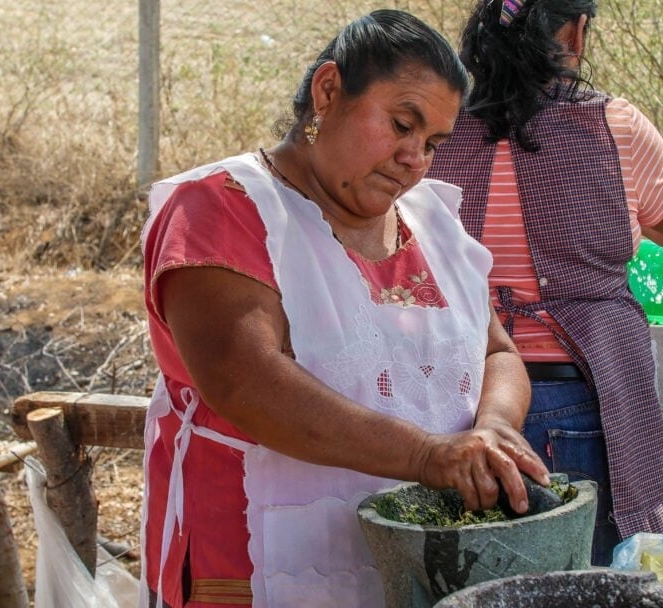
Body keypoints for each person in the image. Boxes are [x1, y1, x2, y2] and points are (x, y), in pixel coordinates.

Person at [138, 10, 551, 608]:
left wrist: (495, 425)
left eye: (432, 143)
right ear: (328, 92)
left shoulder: (434, 221)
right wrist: (424, 455)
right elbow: (245, 381)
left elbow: (495, 351)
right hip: (251, 566)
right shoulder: (223, 209)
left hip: (409, 570)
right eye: (401, 124)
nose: (415, 158)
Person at [426, 0, 663, 567]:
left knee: (478, 579)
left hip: (451, 402)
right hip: (584, 396)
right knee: (587, 578)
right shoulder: (613, 127)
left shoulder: (434, 126)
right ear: (576, 33)